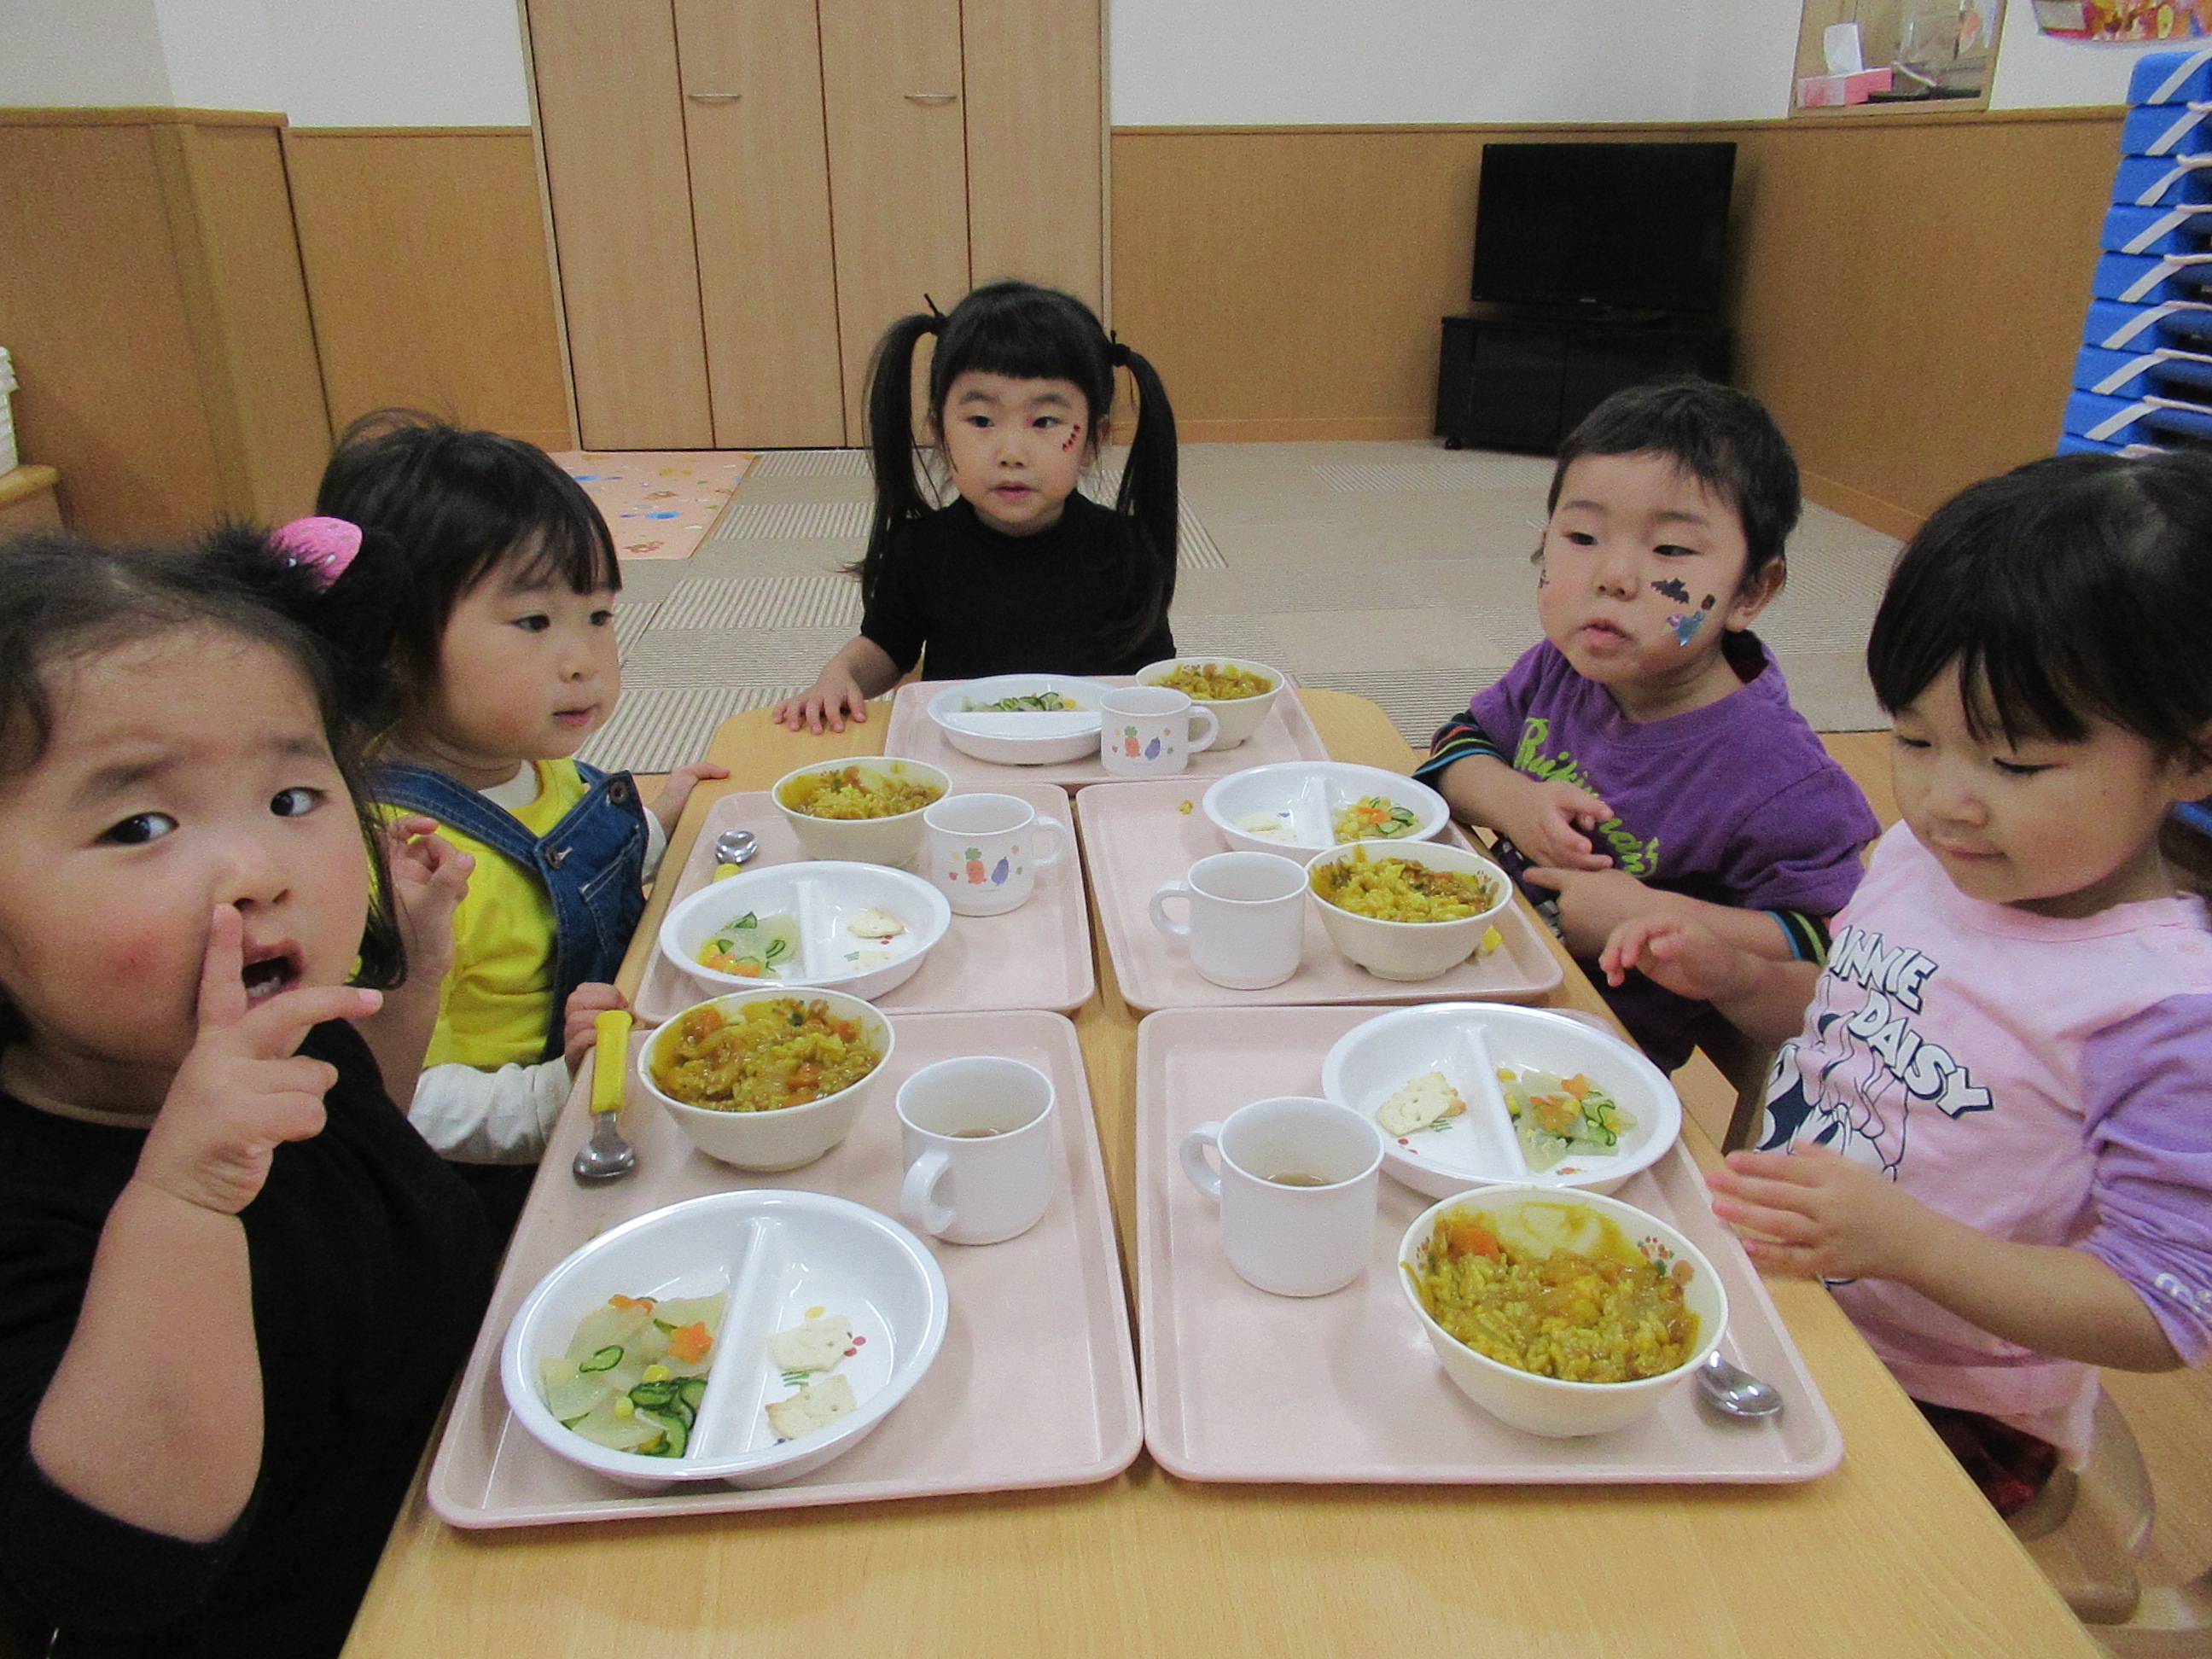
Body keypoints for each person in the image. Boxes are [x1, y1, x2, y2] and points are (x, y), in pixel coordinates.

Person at [1604, 450, 2212, 1513]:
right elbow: (1857, 1012)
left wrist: (1909, 1245)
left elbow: (2162, 1309)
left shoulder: (2159, 1008)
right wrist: (1735, 974)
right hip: (1775, 1289)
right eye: (1916, 739)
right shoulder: (1924, 862)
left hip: (1950, 1398)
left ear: (2193, 758)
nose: (1944, 801)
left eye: (2015, 764)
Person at [0, 530, 493, 1656]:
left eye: (292, 796)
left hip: (469, 1500)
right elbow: (113, 1569)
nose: (261, 871)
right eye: (141, 826)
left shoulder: (275, 1039)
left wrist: (416, 977)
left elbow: (367, 1131)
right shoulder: (29, 1206)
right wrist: (184, 1200)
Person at [315, 414, 725, 1227]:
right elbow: (393, 1095)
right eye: (535, 622)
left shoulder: (530, 760)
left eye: (599, 617)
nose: (584, 660)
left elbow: (579, 868)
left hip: (620, 1076)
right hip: (512, 1176)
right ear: (395, 646)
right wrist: (549, 1097)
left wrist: (656, 822)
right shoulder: (399, 860)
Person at [1412, 379, 1879, 1069]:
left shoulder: (1779, 777)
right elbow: (1454, 748)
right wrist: (1515, 803)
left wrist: (1644, 914)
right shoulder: (1562, 668)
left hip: (1586, 1060)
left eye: (1671, 551)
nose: (1614, 576)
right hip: (1473, 968)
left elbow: (1833, 954)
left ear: (1750, 591)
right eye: (1582, 537)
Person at [774, 281, 1180, 733]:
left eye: (1045, 421)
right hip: (959, 757)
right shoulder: (920, 548)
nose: (1011, 453)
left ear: (1092, 441)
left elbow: (1154, 681)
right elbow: (886, 649)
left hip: (1090, 758)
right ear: (940, 432)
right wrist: (839, 674)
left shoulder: (1126, 549)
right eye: (981, 420)